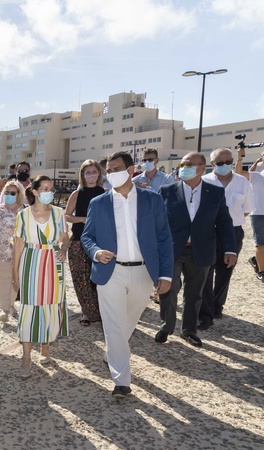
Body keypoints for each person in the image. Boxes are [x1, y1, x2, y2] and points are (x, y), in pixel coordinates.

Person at [81, 151, 173, 398]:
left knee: (128, 322)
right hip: (110, 272)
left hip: (144, 272)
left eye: (116, 168)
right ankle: (122, 381)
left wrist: (166, 275)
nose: (111, 173)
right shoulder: (98, 203)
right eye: (108, 170)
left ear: (131, 170)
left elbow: (164, 238)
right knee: (113, 324)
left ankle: (111, 352)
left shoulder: (151, 200)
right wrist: (96, 251)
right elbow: (87, 236)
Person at [157, 152, 237, 348]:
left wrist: (230, 249)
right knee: (169, 289)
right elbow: (157, 222)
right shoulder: (166, 190)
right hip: (173, 250)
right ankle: (166, 327)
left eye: (189, 165)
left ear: (202, 168)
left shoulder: (215, 193)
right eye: (182, 164)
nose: (184, 168)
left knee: (195, 293)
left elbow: (224, 222)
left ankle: (189, 330)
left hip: (201, 250)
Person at [12, 175, 70, 379]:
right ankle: (26, 355)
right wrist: (15, 273)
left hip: (53, 264)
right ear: (35, 191)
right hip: (31, 263)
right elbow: (18, 245)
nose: (49, 192)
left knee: (51, 306)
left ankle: (46, 345)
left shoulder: (59, 213)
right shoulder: (23, 215)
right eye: (45, 189)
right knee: (28, 308)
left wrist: (64, 248)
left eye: (51, 189)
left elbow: (65, 239)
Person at [198, 148, 254, 328]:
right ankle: (205, 312)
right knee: (205, 272)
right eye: (220, 163)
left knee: (226, 271)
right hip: (208, 232)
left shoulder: (242, 183)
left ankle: (217, 307)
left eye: (229, 161)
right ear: (212, 164)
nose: (226, 165)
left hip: (233, 232)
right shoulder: (203, 182)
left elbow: (247, 209)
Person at [65, 159, 106, 326]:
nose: (91, 175)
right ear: (83, 175)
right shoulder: (77, 194)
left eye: (94, 172)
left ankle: (102, 312)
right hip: (78, 240)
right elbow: (66, 215)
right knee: (81, 278)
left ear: (99, 174)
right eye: (87, 172)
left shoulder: (104, 192)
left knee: (97, 278)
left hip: (99, 242)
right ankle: (87, 313)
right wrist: (83, 219)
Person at [0, 180, 26, 322]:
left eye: (12, 193)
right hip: (2, 252)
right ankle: (4, 309)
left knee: (16, 280)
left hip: (21, 252)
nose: (9, 195)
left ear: (18, 194)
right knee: (4, 279)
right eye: (6, 192)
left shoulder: (25, 211)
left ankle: (12, 305)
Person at [234, 150, 264, 282]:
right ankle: (262, 271)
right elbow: (239, 173)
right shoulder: (257, 176)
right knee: (261, 244)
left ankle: (256, 261)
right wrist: (239, 158)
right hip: (259, 214)